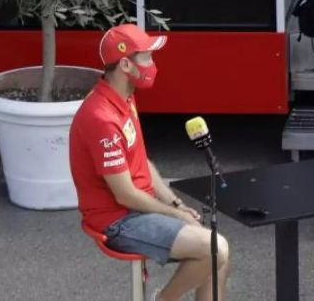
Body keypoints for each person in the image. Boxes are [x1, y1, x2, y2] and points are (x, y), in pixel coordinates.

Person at [70, 24, 230, 301]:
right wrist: (176, 216)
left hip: (136, 209)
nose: (152, 65)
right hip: (118, 221)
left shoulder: (124, 98)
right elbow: (125, 194)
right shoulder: (101, 118)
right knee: (215, 248)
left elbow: (141, 160)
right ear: (125, 65)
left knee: (218, 254)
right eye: (146, 57)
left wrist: (175, 204)